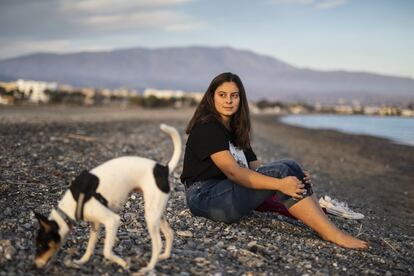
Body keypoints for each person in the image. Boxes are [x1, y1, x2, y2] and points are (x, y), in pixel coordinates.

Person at [180, 72, 368, 249]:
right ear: (212, 97)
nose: (228, 101)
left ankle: (319, 217)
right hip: (205, 199)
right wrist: (280, 183)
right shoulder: (208, 127)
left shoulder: (234, 130)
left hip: (224, 192)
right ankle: (332, 234)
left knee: (290, 166)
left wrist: (295, 176)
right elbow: (233, 172)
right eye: (222, 95)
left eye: (234, 96)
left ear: (240, 99)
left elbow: (256, 167)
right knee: (281, 173)